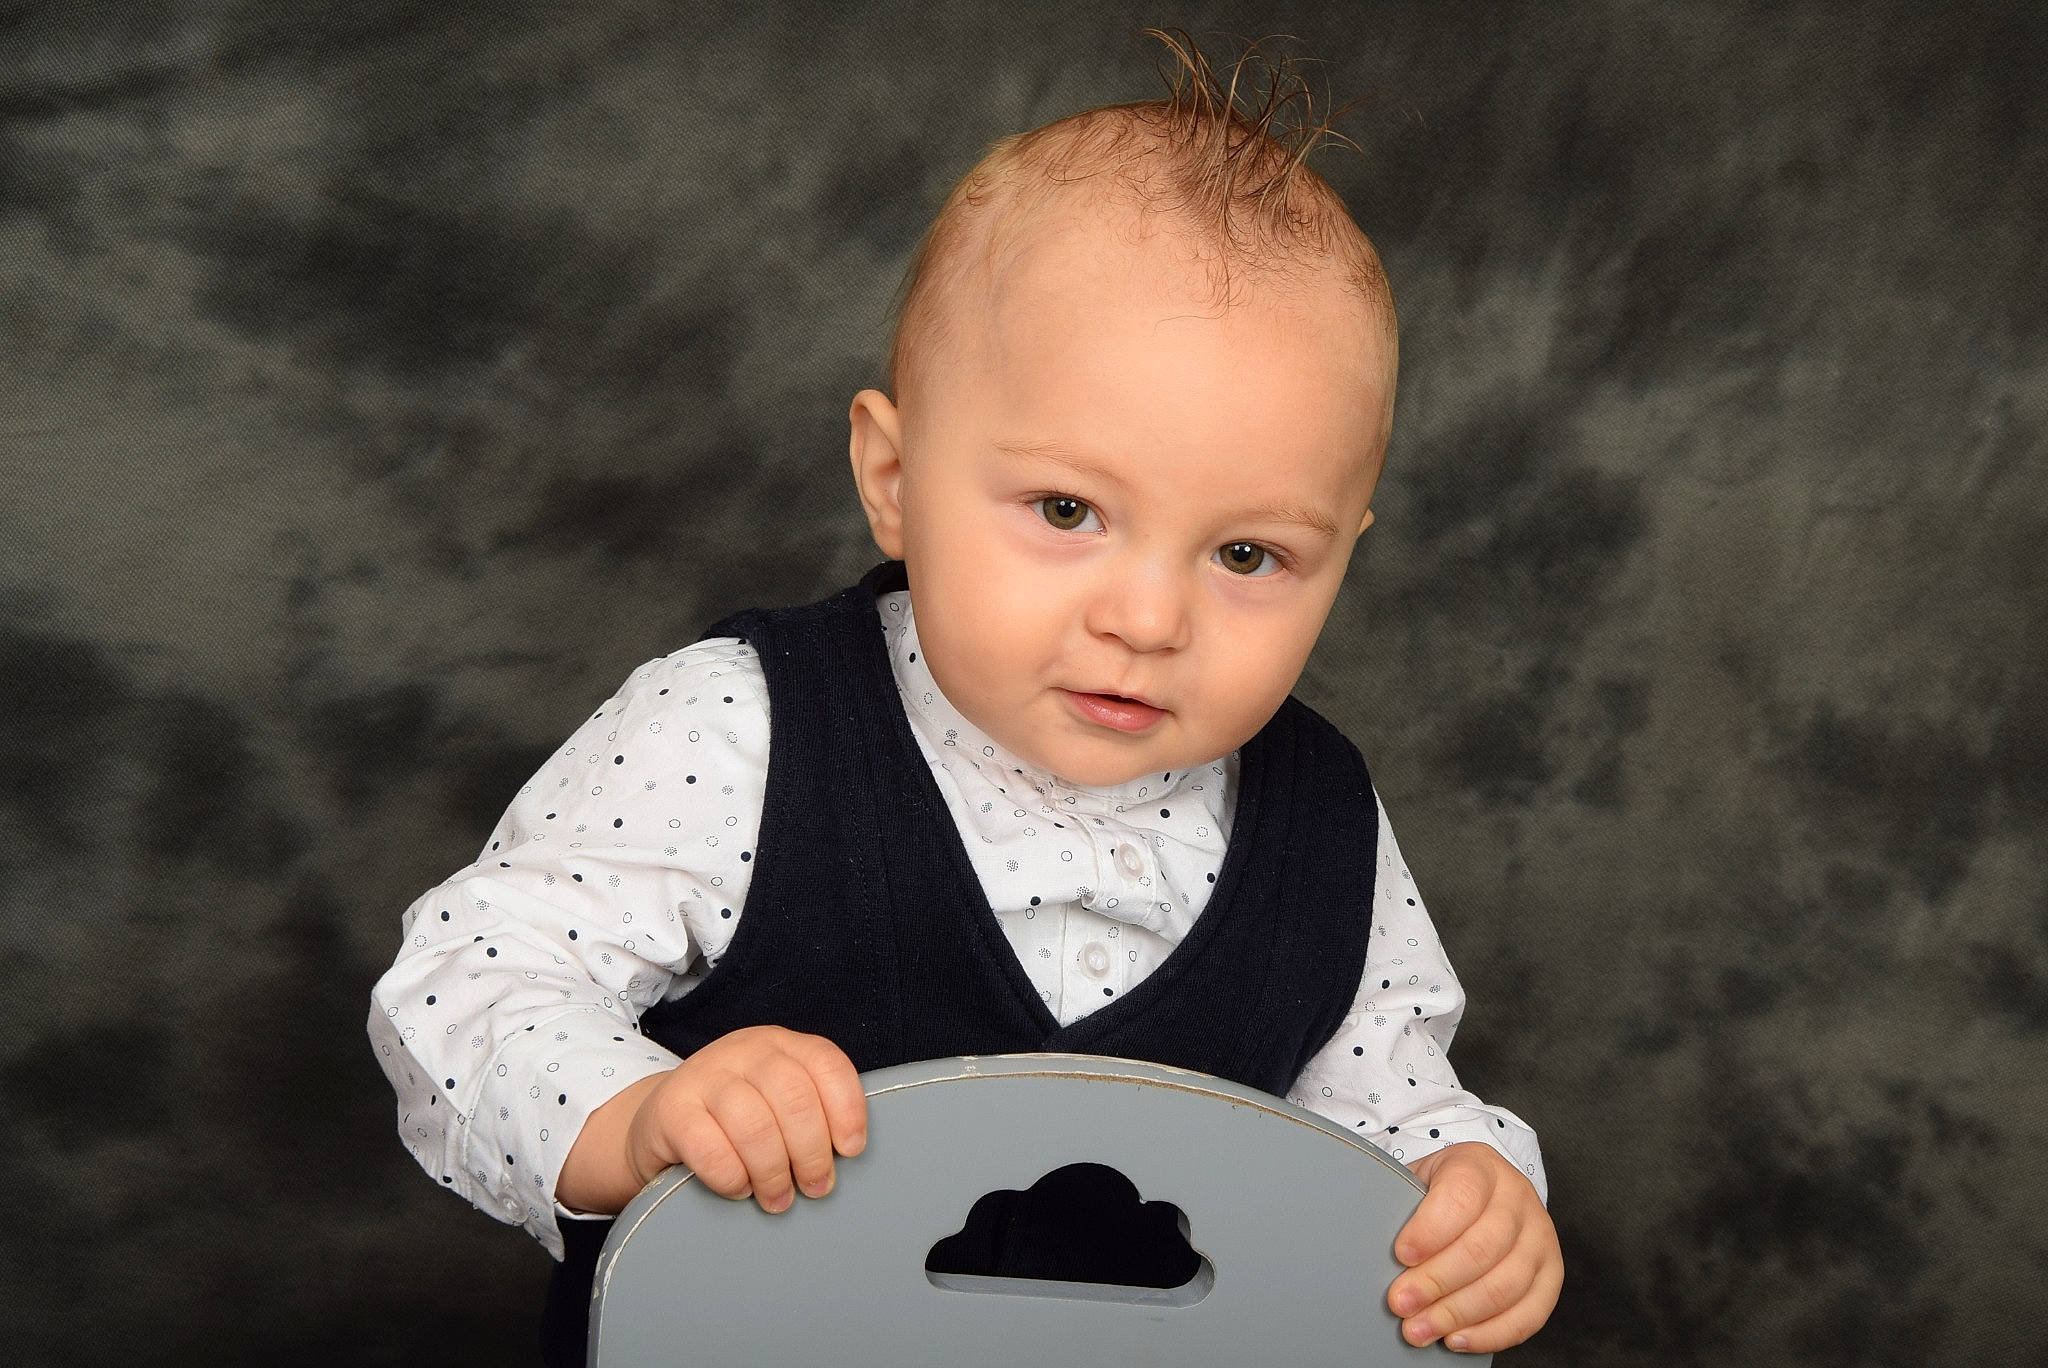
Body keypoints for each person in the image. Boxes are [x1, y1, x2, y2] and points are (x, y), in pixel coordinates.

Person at [369, 29, 1563, 1362]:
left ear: (1345, 549)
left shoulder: (1325, 820)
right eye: (1067, 509)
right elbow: (466, 989)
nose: (1147, 618)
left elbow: (1387, 1102)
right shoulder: (741, 732)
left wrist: (1472, 1192)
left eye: (1248, 555)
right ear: (892, 476)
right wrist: (641, 1115)